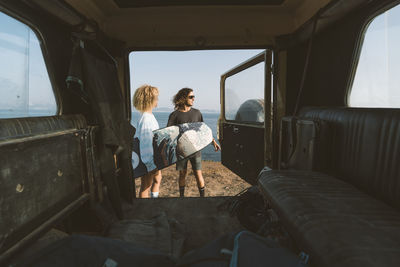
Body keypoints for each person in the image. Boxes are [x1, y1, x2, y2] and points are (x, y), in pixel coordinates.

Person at [167, 88, 220, 197]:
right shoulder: (174, 115)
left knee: (198, 174)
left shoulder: (197, 113)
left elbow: (203, 130)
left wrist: (213, 141)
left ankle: (202, 197)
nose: (193, 99)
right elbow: (169, 133)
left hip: (195, 150)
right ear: (183, 98)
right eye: (191, 97)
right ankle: (181, 197)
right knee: (182, 174)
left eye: (193, 97)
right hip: (181, 151)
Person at [132, 84, 162, 198]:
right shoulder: (146, 118)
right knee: (145, 187)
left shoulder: (147, 116)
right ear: (150, 99)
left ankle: (154, 203)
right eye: (156, 97)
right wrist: (150, 164)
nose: (158, 100)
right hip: (148, 160)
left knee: (157, 179)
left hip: (151, 159)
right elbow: (145, 143)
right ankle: (145, 211)